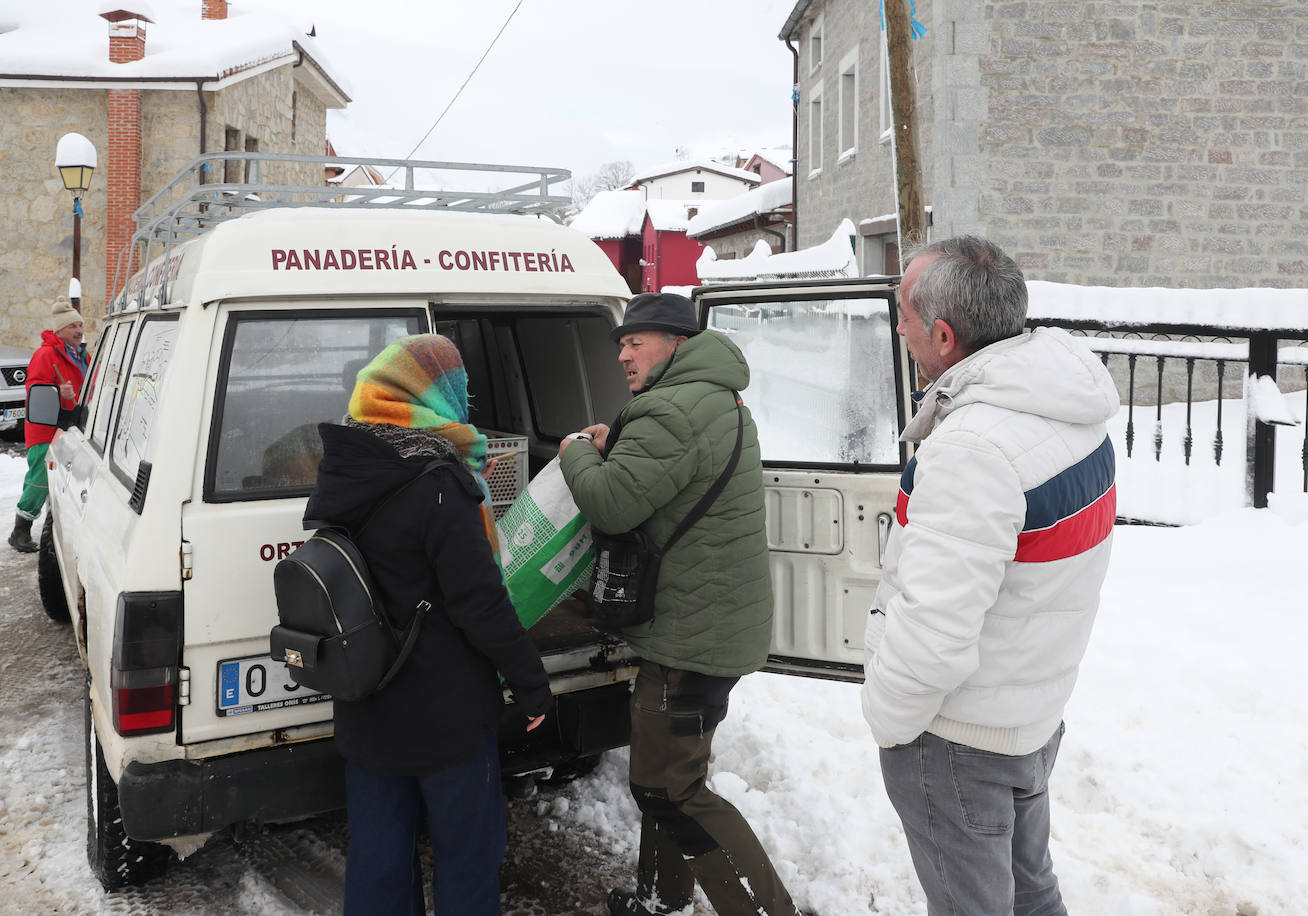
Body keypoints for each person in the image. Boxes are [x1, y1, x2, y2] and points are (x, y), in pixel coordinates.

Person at [861, 236, 1120, 915]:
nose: (898, 328)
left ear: (944, 336)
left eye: (904, 316)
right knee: (1032, 893)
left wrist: (888, 721)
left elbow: (934, 629)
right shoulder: (1068, 410)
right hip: (1029, 712)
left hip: (959, 741)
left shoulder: (975, 448)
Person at [559, 292, 801, 916]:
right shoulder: (716, 399)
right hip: (710, 625)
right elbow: (672, 471)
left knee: (670, 787)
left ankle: (769, 910)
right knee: (667, 781)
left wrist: (577, 453)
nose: (623, 355)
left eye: (635, 343)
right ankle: (662, 899)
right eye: (621, 344)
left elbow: (612, 503)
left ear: (676, 344)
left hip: (691, 638)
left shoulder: (669, 409)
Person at [305, 333, 553, 916]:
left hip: (367, 702)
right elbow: (480, 602)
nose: (465, 399)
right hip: (445, 718)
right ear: (432, 396)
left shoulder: (349, 464)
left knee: (378, 862)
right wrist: (529, 679)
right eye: (459, 389)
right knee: (467, 857)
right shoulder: (440, 484)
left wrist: (462, 476)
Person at [10, 299, 87, 553]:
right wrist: (58, 391)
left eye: (80, 324)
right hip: (45, 426)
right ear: (60, 330)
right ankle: (20, 531)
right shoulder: (46, 354)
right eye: (73, 326)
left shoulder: (82, 354)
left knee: (67, 479)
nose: (79, 330)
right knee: (40, 478)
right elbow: (34, 389)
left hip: (70, 424)